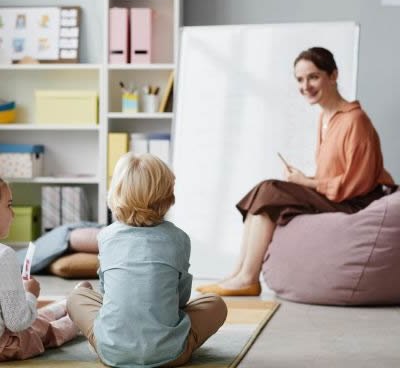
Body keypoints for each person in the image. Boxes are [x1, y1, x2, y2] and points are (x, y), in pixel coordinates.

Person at [197, 47, 397, 297]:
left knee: (269, 190)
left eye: (313, 77)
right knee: (265, 193)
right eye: (300, 80)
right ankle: (238, 273)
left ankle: (248, 277)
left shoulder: (354, 120)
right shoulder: (326, 118)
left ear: (333, 75)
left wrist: (307, 183)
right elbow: (335, 174)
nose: (306, 86)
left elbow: (357, 182)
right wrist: (306, 180)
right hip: (336, 195)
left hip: (355, 202)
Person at [67, 153, 227, 368]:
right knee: (215, 304)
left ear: (115, 193)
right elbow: (181, 299)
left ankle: (93, 310)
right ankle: (171, 343)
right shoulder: (178, 238)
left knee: (76, 297)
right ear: (168, 196)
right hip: (171, 354)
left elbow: (107, 296)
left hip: (111, 353)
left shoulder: (106, 236)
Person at [0, 178, 86, 361]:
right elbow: (17, 322)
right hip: (7, 344)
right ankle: (79, 311)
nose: (13, 214)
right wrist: (30, 293)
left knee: (37, 319)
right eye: (9, 205)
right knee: (48, 330)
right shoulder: (4, 255)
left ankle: (67, 303)